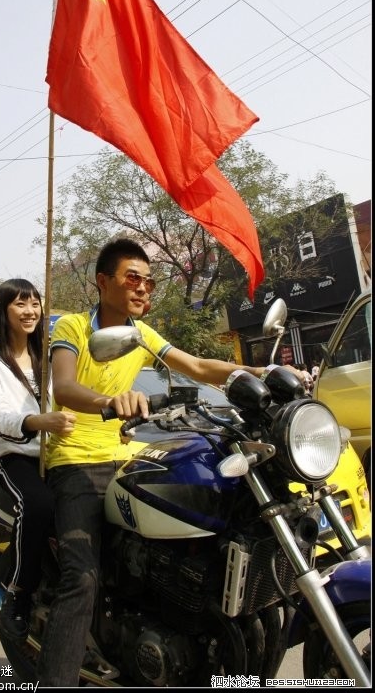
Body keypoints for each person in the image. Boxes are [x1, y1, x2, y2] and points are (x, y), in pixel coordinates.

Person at [36, 238, 306, 685]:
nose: (143, 288)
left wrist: (263, 373)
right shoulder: (74, 328)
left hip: (126, 452)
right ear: (103, 281)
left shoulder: (141, 335)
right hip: (77, 459)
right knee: (81, 579)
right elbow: (63, 387)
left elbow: (196, 367)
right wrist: (109, 401)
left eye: (149, 280)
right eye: (133, 278)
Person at [0, 278, 75, 643]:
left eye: (34, 303)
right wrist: (36, 422)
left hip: (58, 453)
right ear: (3, 311)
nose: (30, 311)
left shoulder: (50, 354)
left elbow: (75, 394)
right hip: (17, 456)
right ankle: (18, 592)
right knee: (38, 503)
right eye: (20, 304)